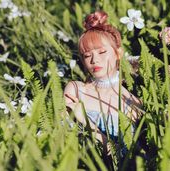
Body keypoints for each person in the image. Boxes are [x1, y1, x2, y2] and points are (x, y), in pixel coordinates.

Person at [64, 11, 143, 155]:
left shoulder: (132, 102)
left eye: (101, 52)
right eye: (87, 55)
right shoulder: (76, 89)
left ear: (118, 53)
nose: (94, 60)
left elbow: (125, 156)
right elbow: (60, 135)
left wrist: (85, 121)